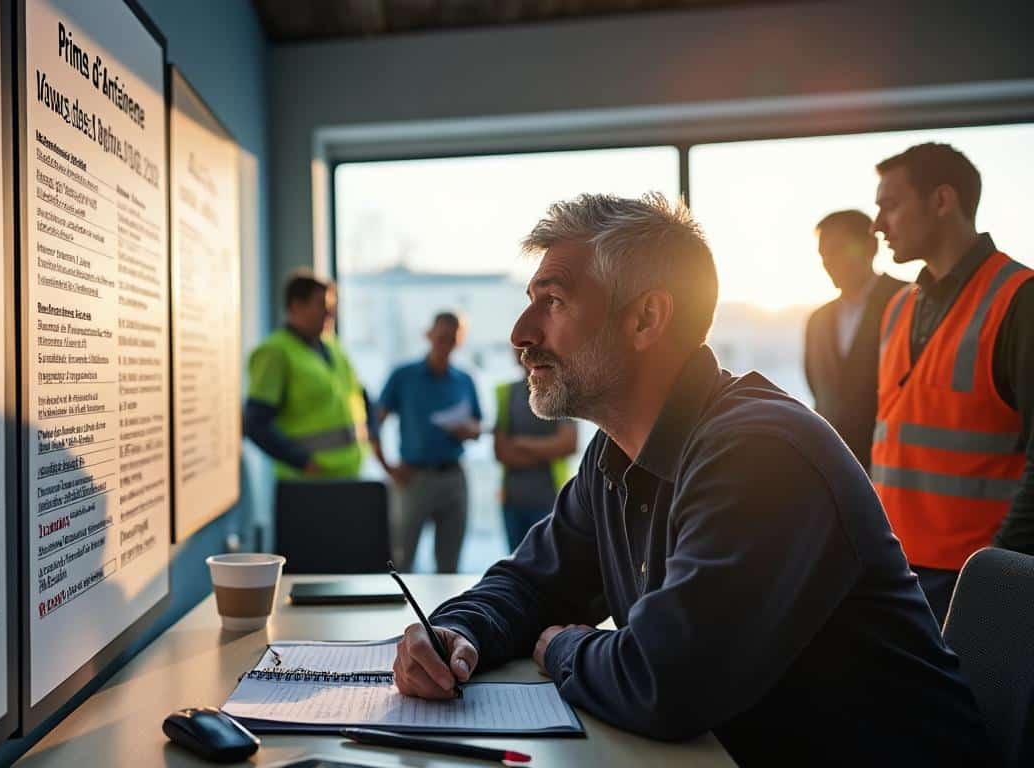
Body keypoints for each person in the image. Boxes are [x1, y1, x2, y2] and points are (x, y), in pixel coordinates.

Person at [391, 193, 988, 765]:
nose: (522, 333)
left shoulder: (761, 454)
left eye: (553, 301)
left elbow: (663, 681)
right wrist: (457, 630)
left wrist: (561, 646)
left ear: (646, 317)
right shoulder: (615, 454)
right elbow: (531, 583)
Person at [870, 142, 1034, 622]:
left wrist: (998, 571)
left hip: (978, 575)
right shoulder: (898, 307)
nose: (878, 225)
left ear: (942, 201)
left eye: (891, 205)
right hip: (898, 569)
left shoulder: (1019, 301)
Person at [372, 312, 481, 573]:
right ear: (429, 335)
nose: (445, 343)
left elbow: (478, 426)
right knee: (401, 560)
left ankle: (445, 615)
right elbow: (375, 422)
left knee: (450, 564)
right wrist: (387, 467)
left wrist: (467, 430)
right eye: (441, 336)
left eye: (451, 338)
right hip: (413, 479)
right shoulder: (404, 376)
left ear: (459, 341)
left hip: (453, 477)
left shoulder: (464, 380)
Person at [243, 270, 371, 479]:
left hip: (349, 474)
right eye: (321, 305)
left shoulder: (333, 348)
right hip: (306, 483)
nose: (330, 313)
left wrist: (372, 432)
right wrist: (302, 462)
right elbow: (255, 423)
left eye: (331, 306)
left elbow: (359, 394)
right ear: (296, 306)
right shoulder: (275, 352)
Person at [803, 210, 906, 471]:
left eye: (838, 250)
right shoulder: (818, 321)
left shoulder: (910, 301)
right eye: (823, 255)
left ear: (871, 246)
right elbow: (821, 392)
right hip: (836, 470)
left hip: (894, 468)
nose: (829, 262)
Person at [494, 348, 577, 550]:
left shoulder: (560, 389)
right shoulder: (506, 392)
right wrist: (546, 450)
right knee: (515, 564)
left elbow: (568, 444)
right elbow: (501, 452)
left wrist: (522, 444)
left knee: (551, 563)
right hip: (513, 501)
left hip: (551, 500)